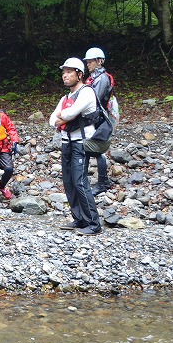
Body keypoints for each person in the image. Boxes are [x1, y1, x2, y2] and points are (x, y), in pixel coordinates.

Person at [49, 57, 103, 236]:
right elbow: (52, 120)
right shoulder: (66, 97)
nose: (65, 76)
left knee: (80, 181)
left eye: (69, 72)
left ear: (79, 74)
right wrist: (64, 118)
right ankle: (79, 219)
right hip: (67, 142)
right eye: (63, 72)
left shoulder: (86, 92)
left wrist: (63, 117)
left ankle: (93, 224)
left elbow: (71, 113)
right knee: (69, 181)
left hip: (81, 142)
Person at [83, 47, 114, 195]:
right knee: (88, 148)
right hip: (93, 117)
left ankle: (103, 182)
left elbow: (95, 99)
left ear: (99, 61)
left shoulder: (102, 78)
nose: (88, 64)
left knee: (97, 149)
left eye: (90, 62)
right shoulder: (93, 78)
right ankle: (85, 180)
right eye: (87, 62)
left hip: (99, 119)